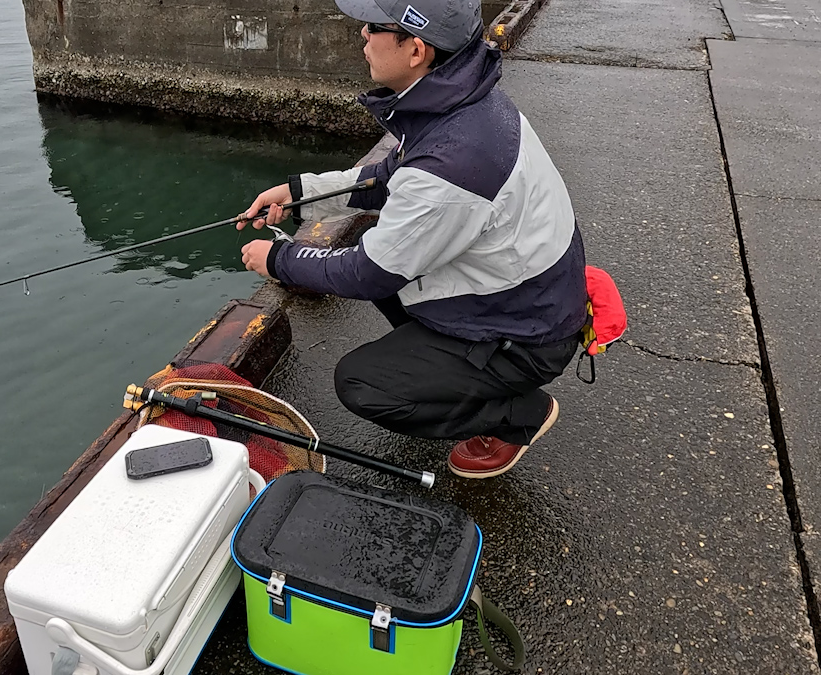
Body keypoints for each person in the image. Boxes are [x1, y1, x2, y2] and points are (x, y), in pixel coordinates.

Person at [237, 0, 588, 479]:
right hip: (527, 295)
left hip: (525, 333)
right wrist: (299, 194)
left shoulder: (453, 162)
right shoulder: (460, 103)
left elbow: (368, 271)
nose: (362, 34)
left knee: (362, 384)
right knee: (390, 268)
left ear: (416, 49)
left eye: (375, 27)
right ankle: (449, 370)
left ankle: (517, 416)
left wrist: (279, 259)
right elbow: (391, 175)